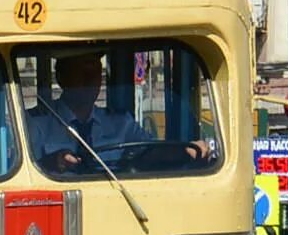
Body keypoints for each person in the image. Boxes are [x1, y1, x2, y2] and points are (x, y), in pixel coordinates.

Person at [29, 53, 206, 172]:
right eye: (81, 70)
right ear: (61, 77)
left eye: (96, 71)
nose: (90, 78)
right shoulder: (38, 124)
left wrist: (185, 149)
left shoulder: (120, 123)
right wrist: (52, 163)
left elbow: (150, 150)